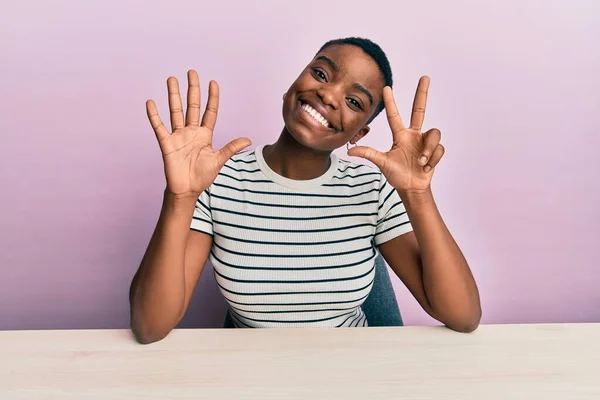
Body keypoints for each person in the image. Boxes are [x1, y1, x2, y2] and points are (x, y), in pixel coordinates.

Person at [128, 37, 482, 344]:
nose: (328, 94)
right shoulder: (216, 179)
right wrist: (180, 197)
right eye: (321, 74)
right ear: (292, 85)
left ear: (358, 134)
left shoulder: (372, 189)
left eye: (355, 102)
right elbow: (149, 326)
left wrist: (417, 195)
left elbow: (463, 315)